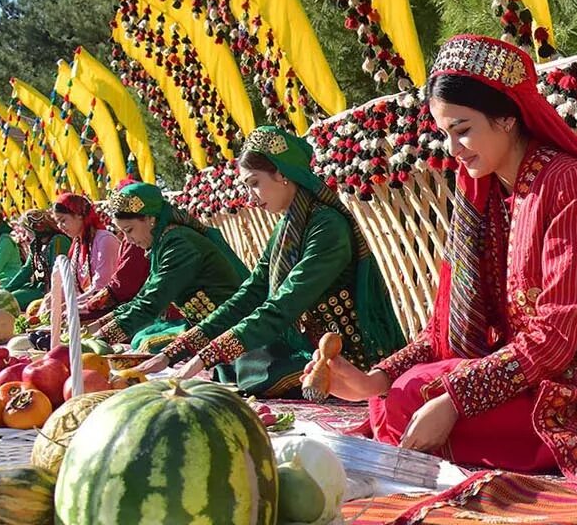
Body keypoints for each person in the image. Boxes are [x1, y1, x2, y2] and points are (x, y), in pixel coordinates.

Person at [315, 34, 577, 487]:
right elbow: (447, 330)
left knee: (410, 404)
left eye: (462, 130)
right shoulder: (483, 195)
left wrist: (456, 399)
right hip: (512, 376)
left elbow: (555, 337)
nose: (453, 149)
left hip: (571, 393)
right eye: (445, 135)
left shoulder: (567, 182)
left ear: (507, 118)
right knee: (395, 396)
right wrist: (375, 379)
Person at [142, 126, 405, 396]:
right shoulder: (288, 226)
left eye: (254, 183)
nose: (251, 198)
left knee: (257, 373)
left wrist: (206, 356)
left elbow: (283, 305)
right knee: (249, 364)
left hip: (347, 357)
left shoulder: (327, 227)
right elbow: (252, 291)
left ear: (282, 174)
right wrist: (179, 350)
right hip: (309, 348)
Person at [91, 182, 246, 353]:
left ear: (150, 219)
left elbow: (152, 301)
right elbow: (143, 297)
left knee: (148, 346)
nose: (129, 240)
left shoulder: (179, 244)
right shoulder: (163, 243)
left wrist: (101, 337)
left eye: (130, 230)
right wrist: (96, 327)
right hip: (212, 329)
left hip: (234, 329)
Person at [76, 202, 149, 323]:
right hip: (131, 304)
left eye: (63, 220)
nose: (127, 238)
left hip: (166, 318)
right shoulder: (78, 243)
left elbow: (124, 285)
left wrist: (89, 305)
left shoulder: (106, 239)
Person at [3, 210, 71, 310]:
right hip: (38, 287)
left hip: (50, 291)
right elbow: (26, 270)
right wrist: (6, 289)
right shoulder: (36, 246)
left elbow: (56, 273)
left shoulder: (59, 241)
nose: (26, 236)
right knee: (7, 295)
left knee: (11, 300)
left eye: (27, 231)